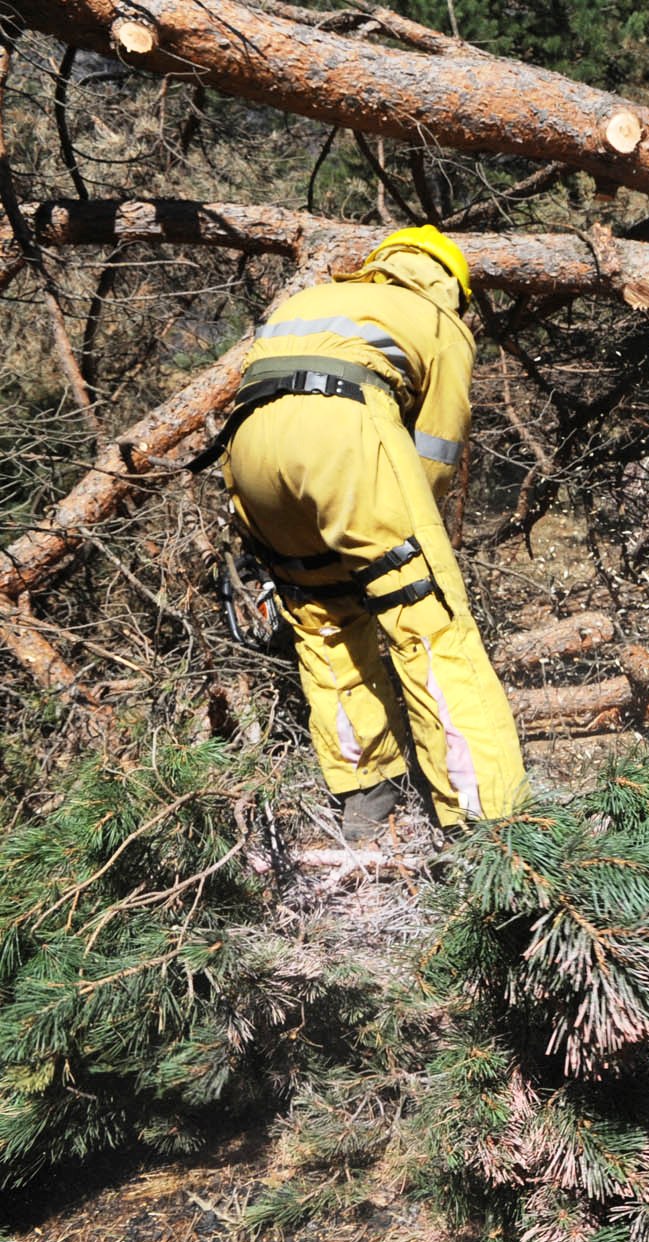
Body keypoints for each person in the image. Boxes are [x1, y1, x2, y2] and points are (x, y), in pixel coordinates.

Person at [219, 225, 527, 841]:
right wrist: (406, 541)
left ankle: (367, 794)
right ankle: (490, 822)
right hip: (341, 431)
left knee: (321, 616)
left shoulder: (313, 301)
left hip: (249, 454)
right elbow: (434, 454)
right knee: (428, 619)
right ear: (451, 284)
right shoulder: (438, 319)